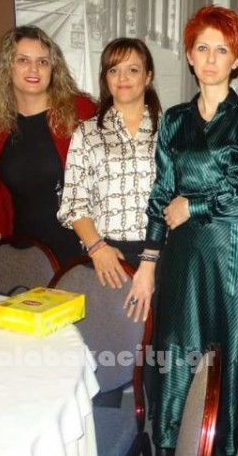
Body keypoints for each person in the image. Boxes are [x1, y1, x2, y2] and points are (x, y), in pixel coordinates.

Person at [143, 5, 238, 456]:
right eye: (202, 48)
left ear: (236, 59)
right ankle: (173, 440)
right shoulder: (174, 120)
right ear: (189, 55)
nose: (211, 58)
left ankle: (217, 443)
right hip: (182, 258)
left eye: (222, 50)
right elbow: (161, 194)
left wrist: (196, 204)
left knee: (223, 355)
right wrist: (148, 258)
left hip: (230, 258)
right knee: (178, 349)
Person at [0, 25, 96, 266]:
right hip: (23, 250)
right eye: (23, 60)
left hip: (80, 248)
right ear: (7, 66)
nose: (34, 69)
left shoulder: (81, 111)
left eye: (43, 62)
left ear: (53, 69)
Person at [57, 38, 160, 322]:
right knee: (110, 339)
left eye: (132, 70)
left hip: (160, 255)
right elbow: (73, 203)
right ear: (105, 78)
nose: (122, 78)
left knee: (155, 343)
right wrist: (97, 248)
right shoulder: (87, 133)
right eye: (114, 70)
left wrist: (151, 261)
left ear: (148, 76)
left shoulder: (169, 130)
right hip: (108, 256)